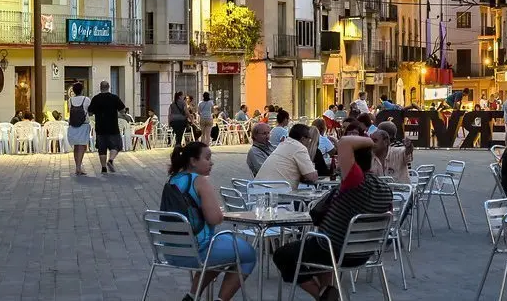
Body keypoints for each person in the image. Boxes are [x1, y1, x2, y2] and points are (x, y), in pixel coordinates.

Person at [272, 135, 393, 300]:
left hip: (334, 250)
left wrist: (371, 142)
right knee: (316, 247)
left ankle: (321, 296)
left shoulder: (355, 181)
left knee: (282, 254)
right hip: (363, 253)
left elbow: (344, 143)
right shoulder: (385, 189)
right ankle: (326, 291)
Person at [165, 142, 256, 301]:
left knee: (225, 247)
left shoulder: (173, 180)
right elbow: (214, 219)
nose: (211, 162)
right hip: (197, 251)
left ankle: (192, 296)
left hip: (171, 252)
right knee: (248, 254)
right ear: (193, 161)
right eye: (207, 158)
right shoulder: (200, 181)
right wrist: (217, 212)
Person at [256, 123, 319, 188]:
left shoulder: (283, 143)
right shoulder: (300, 148)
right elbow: (312, 177)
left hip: (257, 188)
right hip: (275, 192)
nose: (309, 142)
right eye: (309, 139)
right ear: (303, 139)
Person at [87, 80, 125, 174]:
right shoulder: (114, 98)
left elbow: (90, 112)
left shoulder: (96, 98)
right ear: (109, 87)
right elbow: (122, 110)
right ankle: (111, 160)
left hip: (100, 128)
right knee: (116, 145)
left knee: (102, 148)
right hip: (113, 127)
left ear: (100, 88)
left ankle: (103, 168)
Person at [66, 82, 91, 176]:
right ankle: (78, 168)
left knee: (76, 146)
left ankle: (77, 166)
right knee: (82, 146)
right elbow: (90, 110)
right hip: (83, 125)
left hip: (73, 125)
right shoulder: (86, 99)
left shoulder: (70, 100)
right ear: (82, 90)